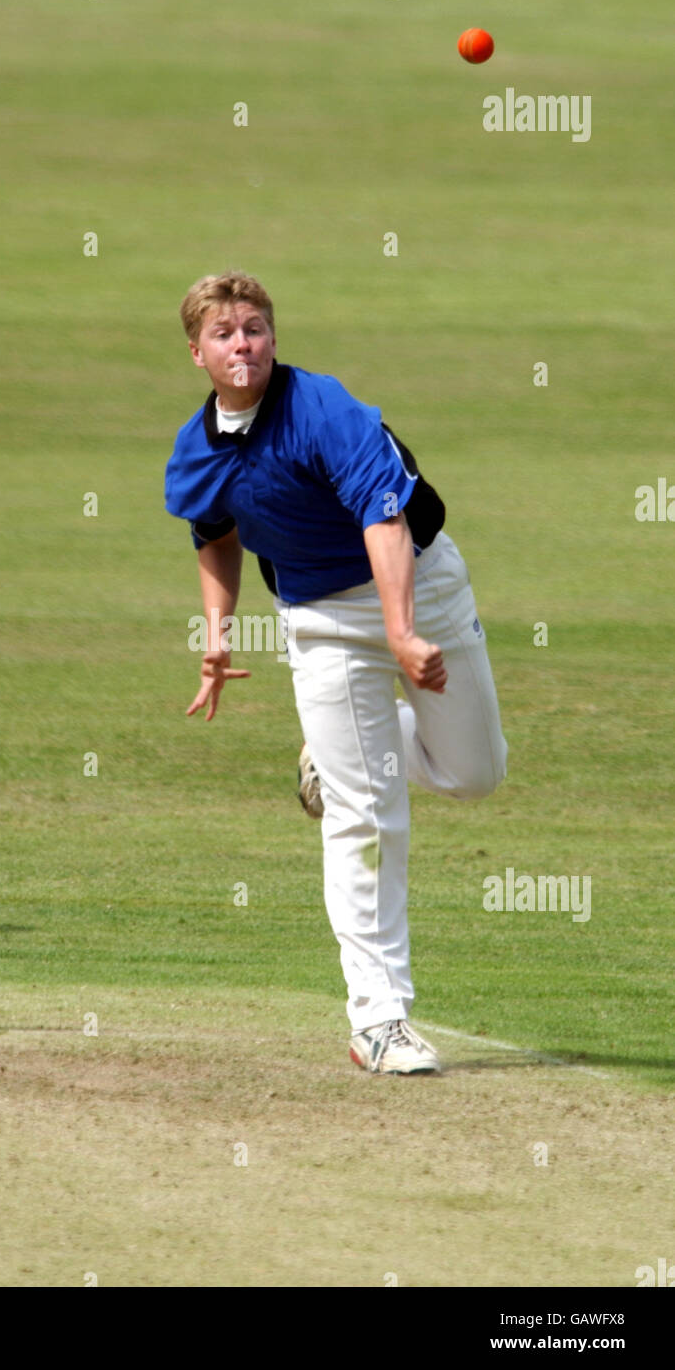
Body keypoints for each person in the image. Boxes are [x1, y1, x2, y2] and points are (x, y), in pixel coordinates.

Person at [165, 271, 507, 1075]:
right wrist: (216, 637)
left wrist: (402, 632)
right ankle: (379, 1020)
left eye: (253, 328)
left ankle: (344, 745)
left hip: (422, 589)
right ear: (197, 353)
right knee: (365, 815)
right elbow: (214, 533)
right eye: (223, 333)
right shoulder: (197, 446)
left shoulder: (324, 410)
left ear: (273, 339)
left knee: (475, 775)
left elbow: (382, 517)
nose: (241, 343)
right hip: (320, 623)